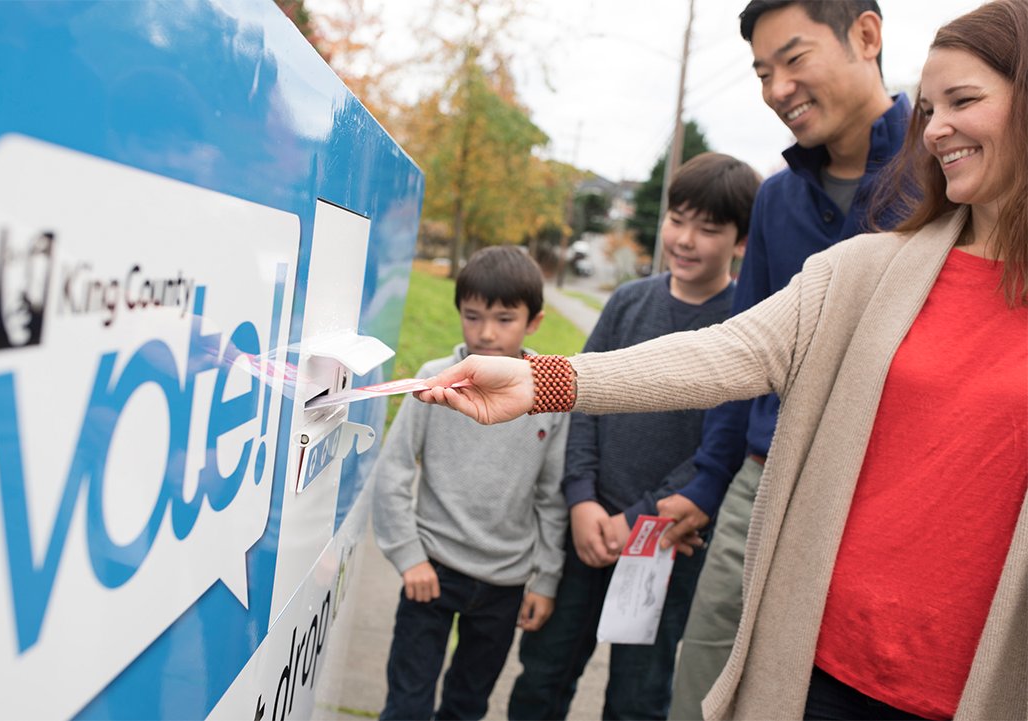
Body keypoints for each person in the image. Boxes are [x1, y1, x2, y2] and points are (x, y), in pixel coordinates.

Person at [415, 1, 1028, 718]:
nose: (938, 127)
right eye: (929, 108)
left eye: (964, 101)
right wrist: (541, 377)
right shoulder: (870, 269)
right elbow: (725, 353)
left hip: (974, 680)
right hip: (827, 662)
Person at [649, 4, 914, 717]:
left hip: (888, 501)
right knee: (701, 684)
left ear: (866, 35)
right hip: (760, 488)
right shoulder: (774, 200)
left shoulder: (946, 174)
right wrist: (709, 482)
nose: (776, 88)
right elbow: (742, 357)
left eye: (794, 60)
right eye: (763, 72)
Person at [507, 153, 760, 721]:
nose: (686, 239)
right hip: (587, 527)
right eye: (678, 219)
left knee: (637, 700)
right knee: (542, 676)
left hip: (669, 543)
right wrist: (581, 499)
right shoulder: (627, 303)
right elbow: (581, 399)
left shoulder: (744, 328)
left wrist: (641, 516)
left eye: (710, 228)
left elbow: (719, 446)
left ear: (741, 240)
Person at [371, 245, 569, 721]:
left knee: (466, 707)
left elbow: (552, 497)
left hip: (505, 583)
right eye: (473, 316)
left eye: (504, 319)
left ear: (534, 322)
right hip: (431, 573)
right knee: (407, 707)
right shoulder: (430, 379)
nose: (485, 333)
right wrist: (408, 555)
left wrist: (545, 579)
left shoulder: (549, 392)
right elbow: (394, 470)